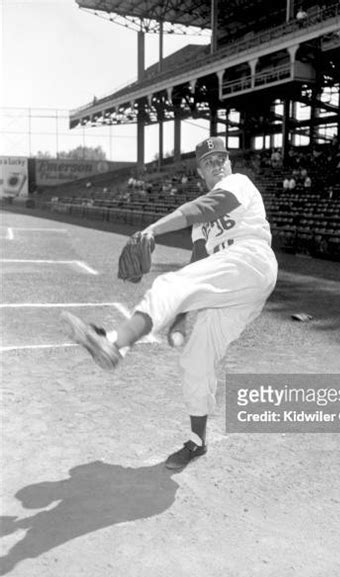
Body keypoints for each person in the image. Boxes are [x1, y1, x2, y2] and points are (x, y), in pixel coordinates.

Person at [61, 137, 278, 472]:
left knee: (167, 282)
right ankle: (197, 441)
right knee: (195, 359)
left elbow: (206, 208)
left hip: (251, 260)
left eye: (221, 158)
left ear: (229, 163)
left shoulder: (238, 183)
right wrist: (178, 322)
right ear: (200, 173)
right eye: (209, 162)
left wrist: (152, 229)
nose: (216, 164)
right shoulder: (201, 229)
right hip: (232, 293)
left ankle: (115, 344)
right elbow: (195, 271)